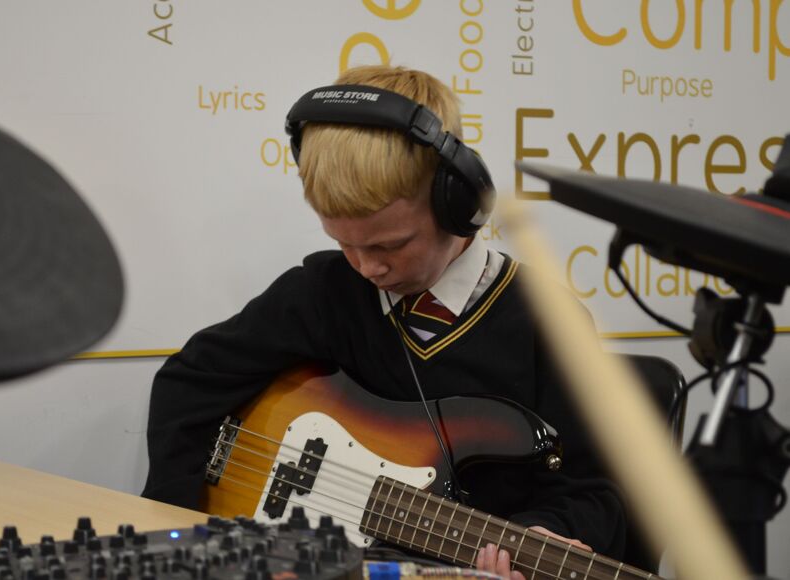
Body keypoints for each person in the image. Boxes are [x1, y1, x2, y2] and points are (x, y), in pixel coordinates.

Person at [142, 65, 625, 579]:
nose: (367, 268)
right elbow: (188, 385)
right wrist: (185, 536)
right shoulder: (325, 292)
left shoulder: (549, 324)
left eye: (390, 245)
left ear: (458, 205)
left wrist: (544, 530)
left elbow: (595, 492)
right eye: (343, 243)